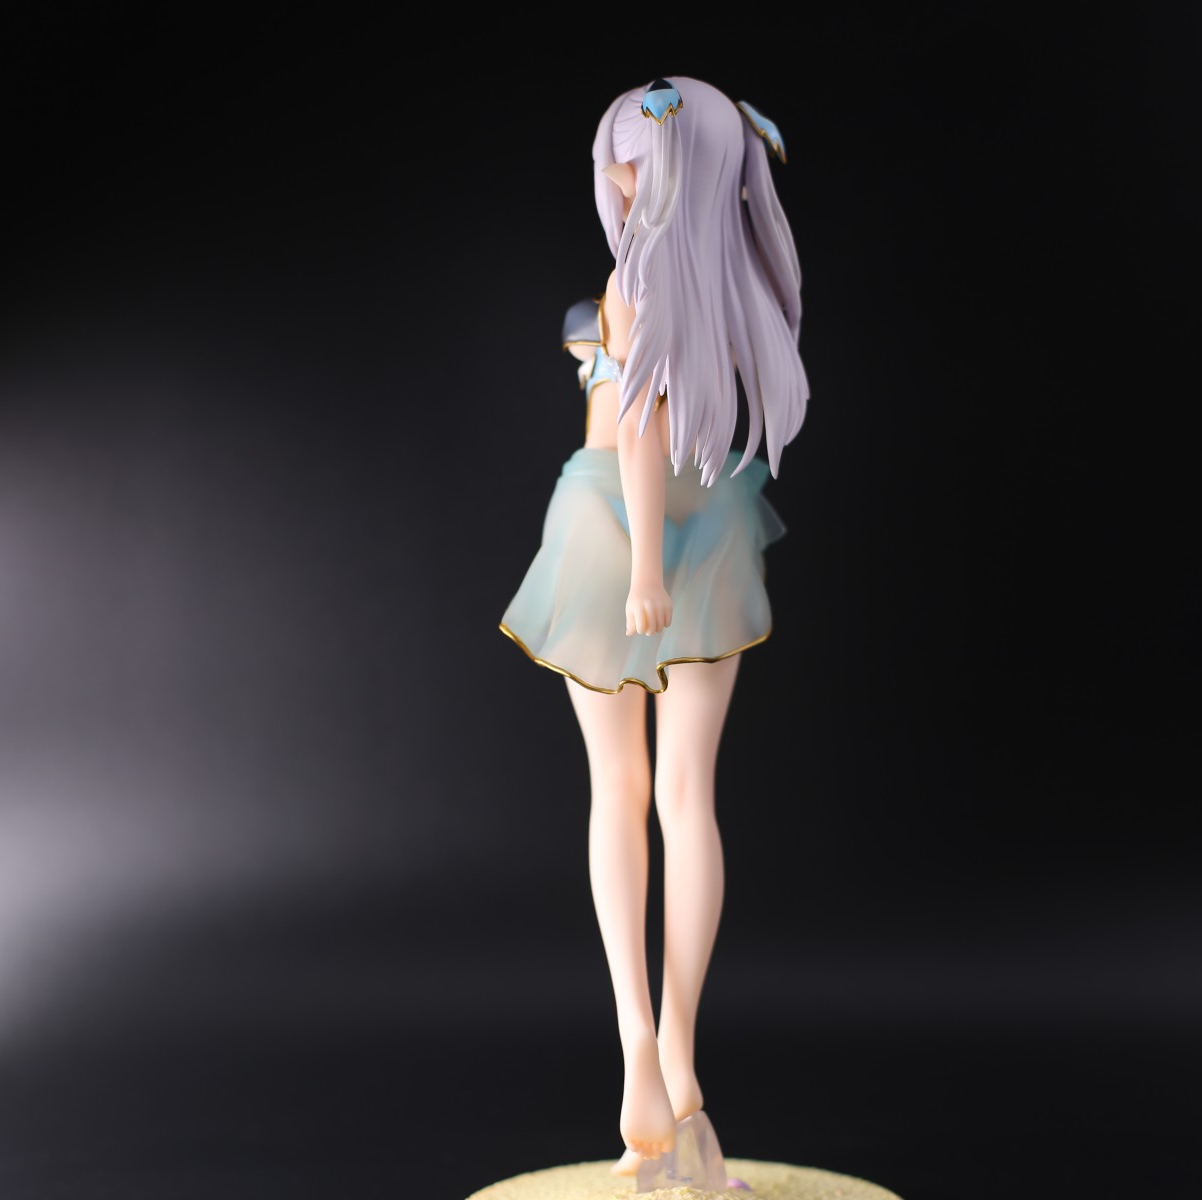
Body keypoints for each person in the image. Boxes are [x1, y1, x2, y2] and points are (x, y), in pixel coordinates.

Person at [498, 75, 808, 1175]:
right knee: (681, 797)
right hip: (709, 527)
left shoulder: (637, 285)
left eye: (632, 159)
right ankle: (673, 1055)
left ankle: (645, 1042)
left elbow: (634, 429)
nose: (619, 177)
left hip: (616, 535)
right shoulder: (739, 291)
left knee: (626, 793)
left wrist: (640, 569)